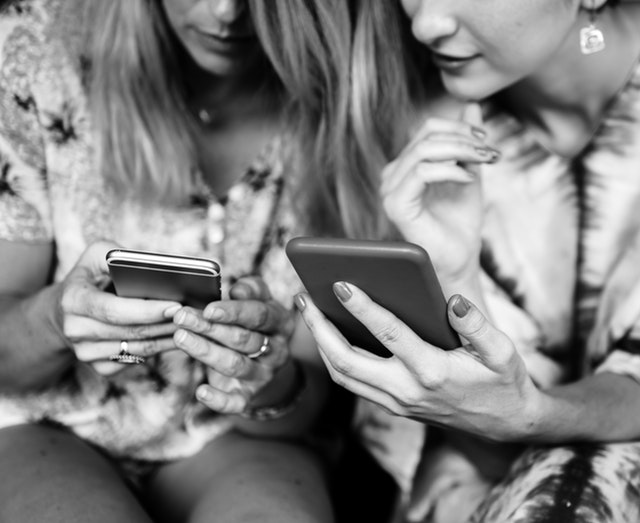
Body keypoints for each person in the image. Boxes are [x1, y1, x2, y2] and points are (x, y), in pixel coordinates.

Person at [0, 0, 352, 521]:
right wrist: (57, 319)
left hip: (233, 438)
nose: (226, 11)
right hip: (44, 421)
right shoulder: (36, 50)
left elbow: (302, 411)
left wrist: (265, 377)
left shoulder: (344, 107)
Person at [293, 0, 640, 522]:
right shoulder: (421, 140)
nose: (425, 22)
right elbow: (484, 425)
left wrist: (534, 417)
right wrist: (456, 274)